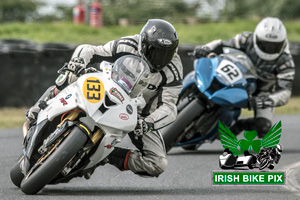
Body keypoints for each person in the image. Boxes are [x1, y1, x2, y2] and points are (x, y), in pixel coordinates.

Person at [26, 19, 183, 178]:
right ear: (143, 43)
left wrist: (149, 123)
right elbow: (91, 50)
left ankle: (103, 156)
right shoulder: (128, 44)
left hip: (139, 116)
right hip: (108, 88)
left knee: (157, 163)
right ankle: (39, 108)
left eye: (166, 54)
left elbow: (169, 107)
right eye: (154, 51)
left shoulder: (173, 71)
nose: (159, 59)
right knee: (70, 76)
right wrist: (78, 62)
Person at [193, 17, 295, 138]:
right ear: (256, 38)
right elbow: (221, 44)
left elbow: (285, 92)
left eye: (274, 46)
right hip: (237, 77)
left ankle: (239, 126)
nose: (269, 49)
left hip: (262, 92)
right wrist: (205, 48)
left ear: (283, 44)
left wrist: (267, 100)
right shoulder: (246, 39)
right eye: (264, 44)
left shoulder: (286, 62)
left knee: (264, 127)